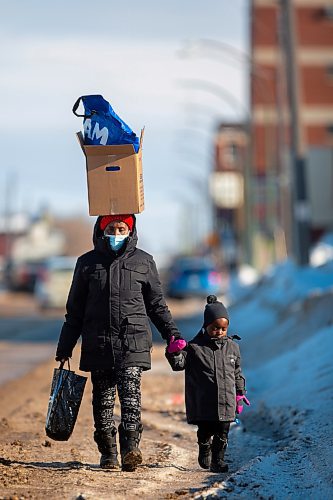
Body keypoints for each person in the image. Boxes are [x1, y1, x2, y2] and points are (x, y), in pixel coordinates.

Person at [55, 214, 185, 471]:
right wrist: (65, 347)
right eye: (112, 228)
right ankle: (108, 452)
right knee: (102, 402)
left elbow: (156, 305)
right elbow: (75, 312)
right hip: (98, 342)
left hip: (133, 342)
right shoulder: (86, 263)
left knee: (131, 398)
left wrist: (173, 336)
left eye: (122, 228)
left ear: (130, 230)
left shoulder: (144, 261)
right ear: (102, 230)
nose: (117, 232)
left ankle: (131, 448)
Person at [165, 295, 250, 473]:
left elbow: (237, 372)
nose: (219, 331)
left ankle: (217, 461)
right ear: (206, 326)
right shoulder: (195, 347)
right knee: (206, 430)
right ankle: (204, 445)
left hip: (226, 400)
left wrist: (240, 392)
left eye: (223, 329)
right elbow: (179, 365)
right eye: (215, 328)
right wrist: (173, 353)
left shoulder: (233, 348)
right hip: (204, 401)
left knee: (223, 432)